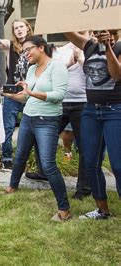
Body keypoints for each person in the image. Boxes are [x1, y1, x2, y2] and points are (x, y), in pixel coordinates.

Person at [3, 36, 70, 221]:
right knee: (20, 156)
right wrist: (7, 94)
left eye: (28, 50)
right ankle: (12, 186)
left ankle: (64, 208)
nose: (25, 54)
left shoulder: (57, 67)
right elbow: (26, 98)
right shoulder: (32, 69)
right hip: (28, 118)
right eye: (23, 51)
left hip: (47, 121)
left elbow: (58, 95)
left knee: (48, 165)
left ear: (41, 47)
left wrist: (31, 92)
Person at [64, 29, 121, 220]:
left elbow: (117, 75)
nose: (99, 30)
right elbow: (66, 29)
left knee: (118, 165)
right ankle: (102, 210)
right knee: (90, 162)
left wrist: (108, 49)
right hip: (90, 111)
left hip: (115, 111)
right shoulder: (89, 46)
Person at [26, 40, 91, 200]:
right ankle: (43, 172)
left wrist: (81, 59)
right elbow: (55, 72)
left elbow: (96, 75)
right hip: (59, 103)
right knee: (40, 136)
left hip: (82, 103)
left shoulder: (92, 49)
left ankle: (83, 188)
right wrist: (68, 63)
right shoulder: (59, 50)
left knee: (83, 146)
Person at [0, 19, 33, 171]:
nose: (19, 30)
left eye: (21, 27)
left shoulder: (36, 46)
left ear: (27, 28)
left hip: (30, 92)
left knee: (32, 127)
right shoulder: (10, 46)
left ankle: (27, 160)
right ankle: (7, 159)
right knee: (8, 127)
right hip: (12, 92)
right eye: (16, 28)